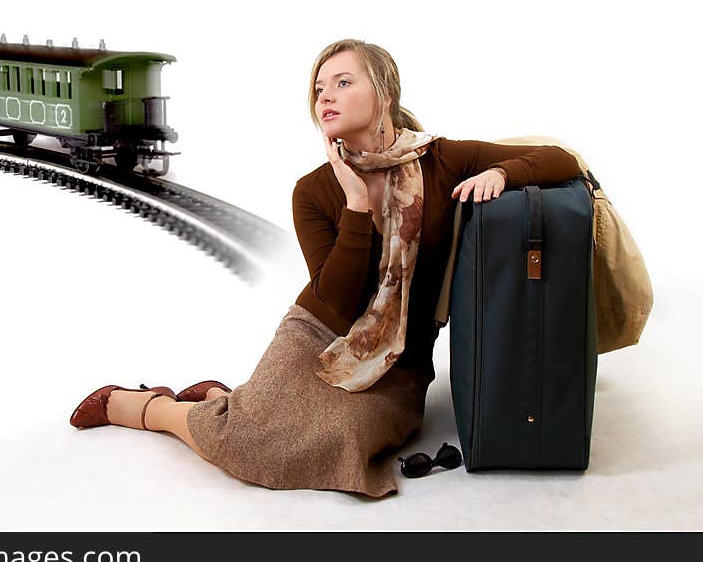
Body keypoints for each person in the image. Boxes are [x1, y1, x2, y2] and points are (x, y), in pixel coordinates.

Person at [67, 39, 582, 499]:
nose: (325, 97)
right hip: (317, 332)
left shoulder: (441, 160)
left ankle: (226, 399)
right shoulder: (313, 190)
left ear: (383, 92)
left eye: (342, 82)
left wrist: (500, 172)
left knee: (342, 443)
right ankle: (142, 407)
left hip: (401, 358)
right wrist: (356, 204)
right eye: (319, 89)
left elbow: (562, 159)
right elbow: (337, 299)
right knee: (247, 444)